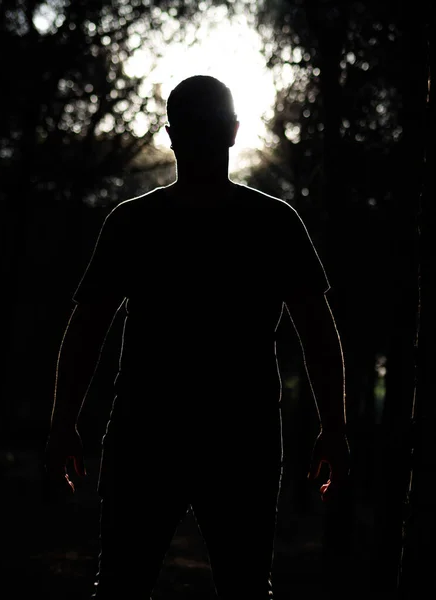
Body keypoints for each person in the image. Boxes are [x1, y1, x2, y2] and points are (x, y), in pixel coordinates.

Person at [45, 75, 350, 599]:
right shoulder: (275, 222)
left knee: (121, 584)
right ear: (233, 131)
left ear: (170, 135)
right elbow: (319, 334)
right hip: (241, 433)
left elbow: (86, 330)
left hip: (147, 429)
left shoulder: (132, 222)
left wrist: (63, 424)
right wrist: (334, 429)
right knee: (246, 586)